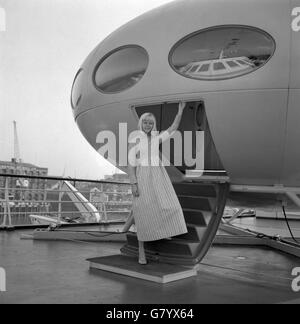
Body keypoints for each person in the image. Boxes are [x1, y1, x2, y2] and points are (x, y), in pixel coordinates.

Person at [122, 101, 188, 265]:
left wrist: (180, 111)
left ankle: (164, 230)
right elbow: (130, 163)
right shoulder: (134, 137)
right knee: (142, 214)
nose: (148, 125)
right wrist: (133, 183)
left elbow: (172, 129)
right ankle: (141, 252)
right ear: (141, 122)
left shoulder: (156, 137)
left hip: (158, 174)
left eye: (151, 123)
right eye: (145, 122)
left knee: (169, 206)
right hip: (142, 175)